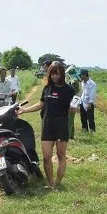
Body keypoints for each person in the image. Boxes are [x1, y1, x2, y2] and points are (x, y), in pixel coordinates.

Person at [17, 60, 77, 189]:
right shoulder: (47, 88)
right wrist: (24, 110)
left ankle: (58, 182)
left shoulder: (69, 90)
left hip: (62, 125)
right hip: (47, 124)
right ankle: (50, 183)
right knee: (46, 157)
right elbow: (41, 105)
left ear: (62, 74)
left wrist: (74, 109)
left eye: (58, 74)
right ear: (49, 74)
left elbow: (75, 107)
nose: (55, 76)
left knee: (61, 155)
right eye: (52, 74)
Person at [79, 69, 97, 133]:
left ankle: (92, 131)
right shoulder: (82, 83)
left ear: (84, 75)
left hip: (89, 103)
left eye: (80, 75)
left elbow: (92, 94)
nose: (80, 77)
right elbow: (83, 92)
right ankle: (85, 130)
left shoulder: (92, 83)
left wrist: (90, 103)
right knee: (83, 118)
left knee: (90, 118)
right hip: (82, 102)